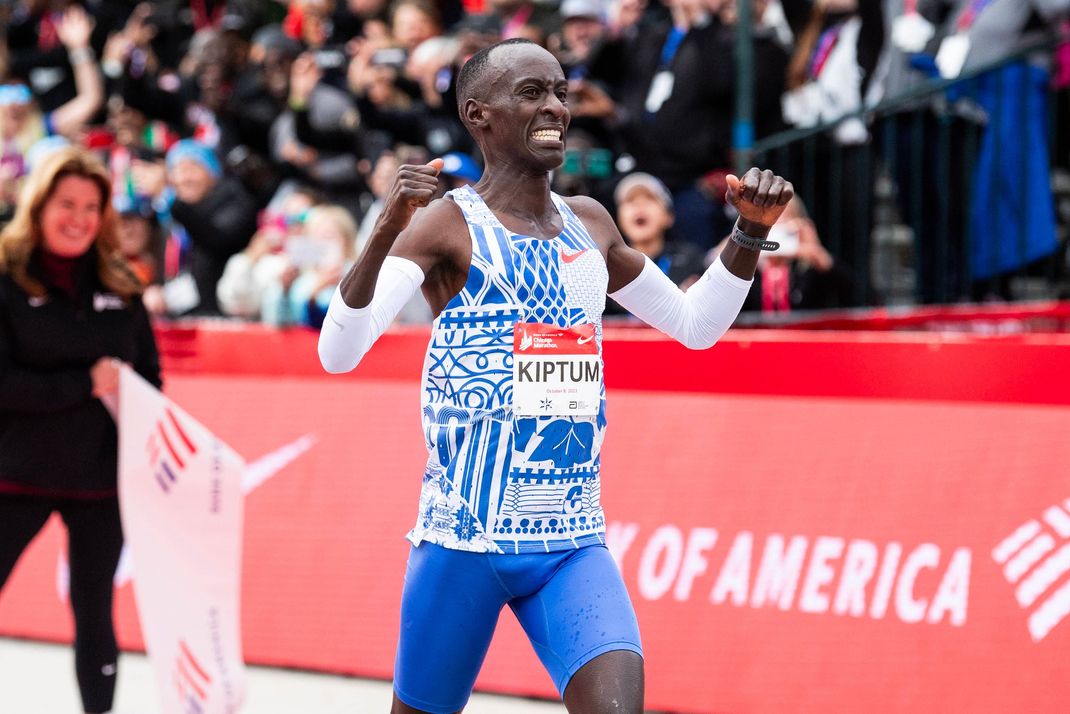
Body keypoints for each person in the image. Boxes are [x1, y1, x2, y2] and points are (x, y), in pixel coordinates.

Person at [317, 39, 793, 713]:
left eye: (561, 92)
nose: (555, 109)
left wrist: (745, 236)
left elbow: (695, 325)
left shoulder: (589, 224)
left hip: (570, 539)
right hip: (465, 539)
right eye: (532, 93)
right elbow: (339, 351)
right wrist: (386, 232)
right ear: (479, 115)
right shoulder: (448, 225)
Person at [0, 146, 161, 714]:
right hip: (13, 476)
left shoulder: (121, 283)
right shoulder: (6, 275)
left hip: (98, 483)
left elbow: (149, 384)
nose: (79, 218)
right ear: (39, 205)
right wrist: (82, 384)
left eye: (92, 207)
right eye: (66, 203)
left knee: (96, 615)